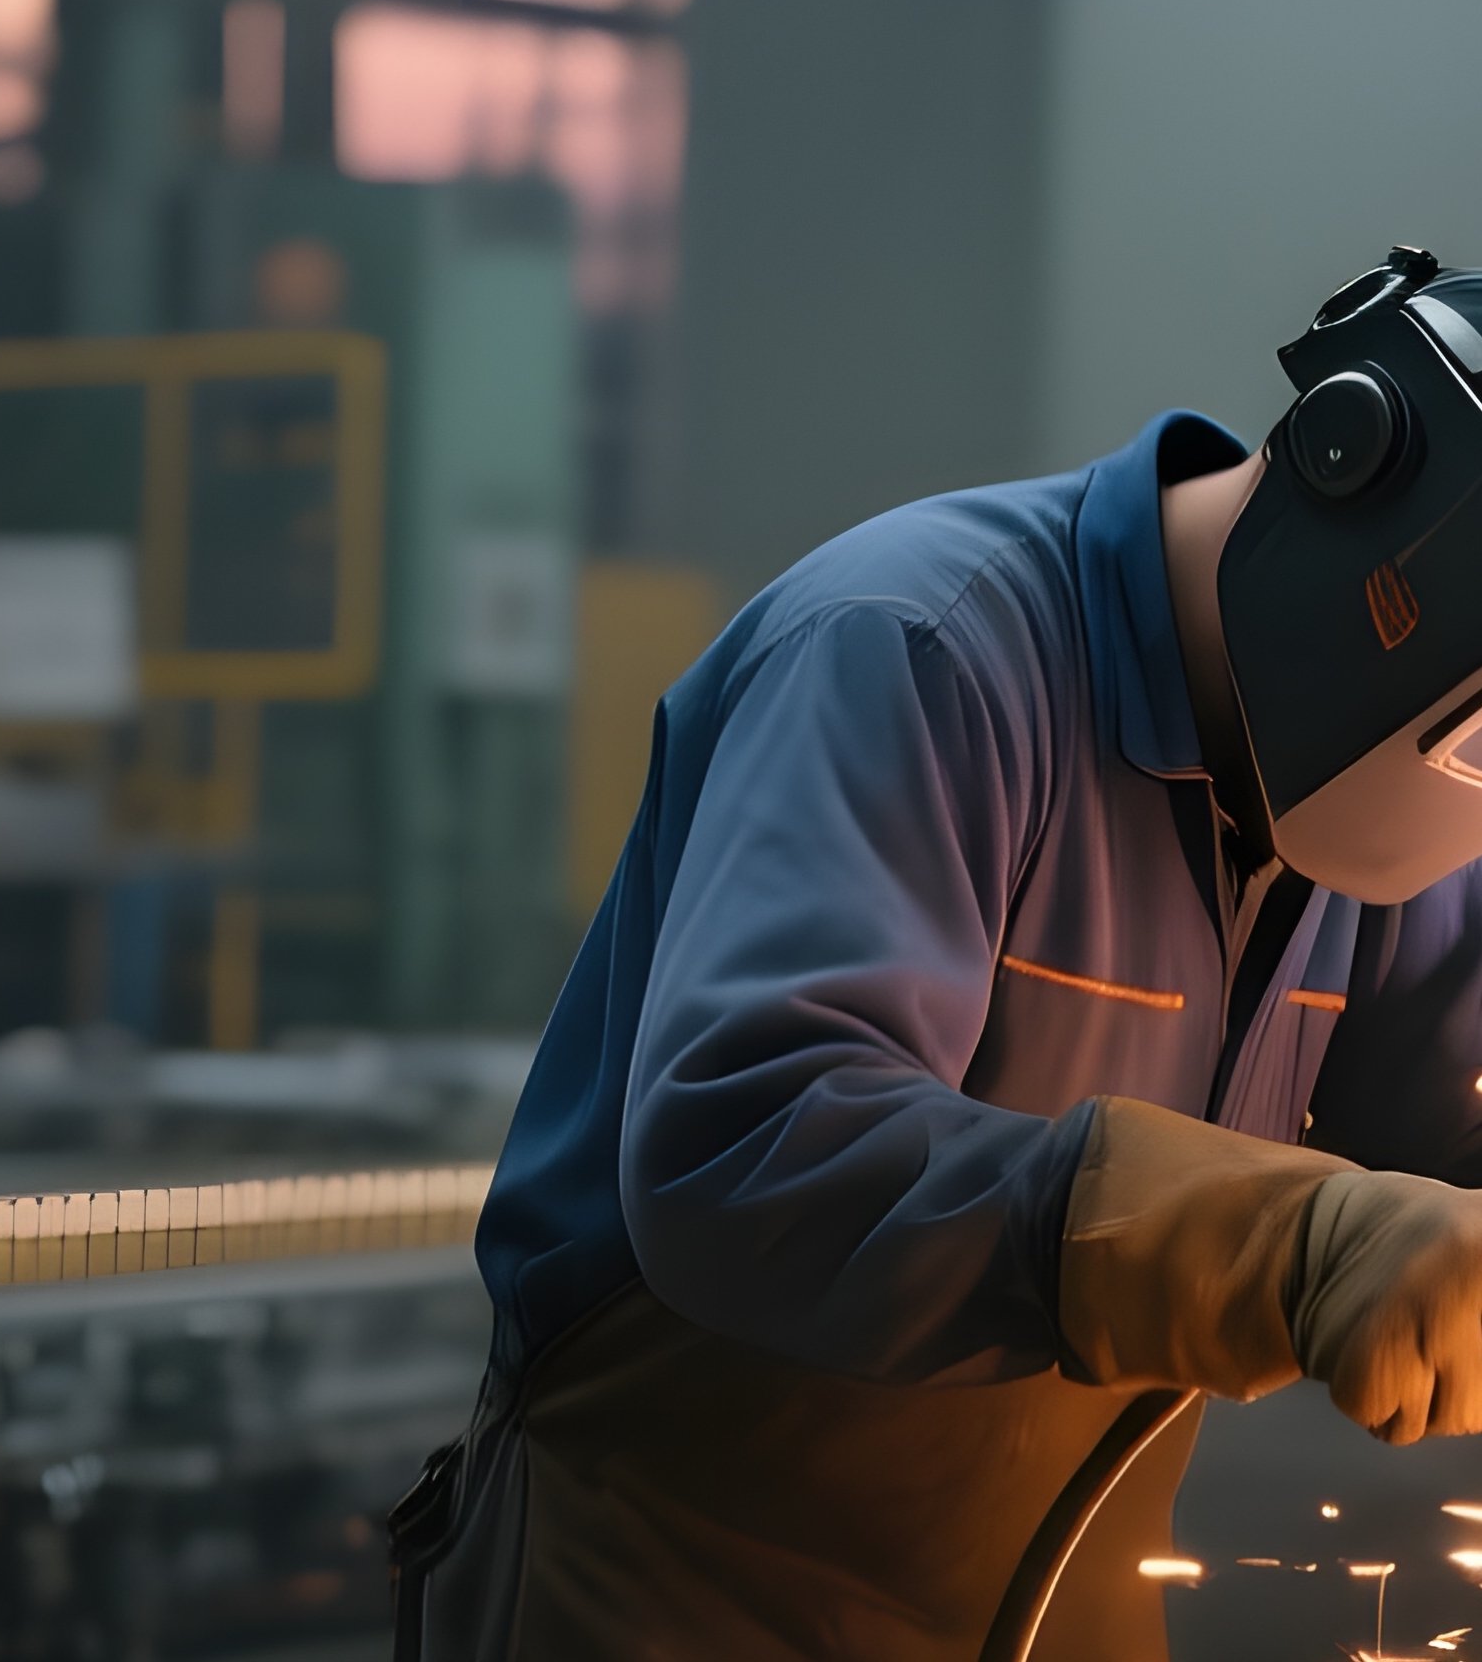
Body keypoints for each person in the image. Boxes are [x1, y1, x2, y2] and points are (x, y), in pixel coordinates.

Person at [392, 247, 1482, 1662]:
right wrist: (1294, 1244)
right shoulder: (918, 651)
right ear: (1360, 476)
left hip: (1054, 1592)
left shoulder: (1373, 808)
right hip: (681, 1593)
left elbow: (1452, 1129)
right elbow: (749, 1147)